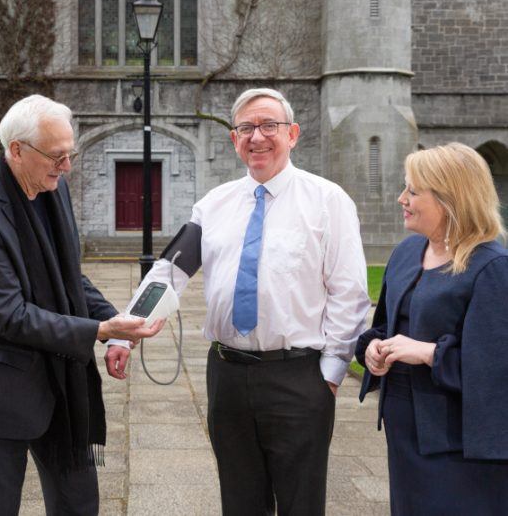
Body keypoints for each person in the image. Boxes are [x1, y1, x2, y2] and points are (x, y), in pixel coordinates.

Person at [108, 88, 370, 515]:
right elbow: (168, 273)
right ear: (234, 139)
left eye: (270, 125)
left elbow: (350, 292)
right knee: (240, 502)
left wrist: (331, 372)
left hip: (299, 377)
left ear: (293, 134)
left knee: (301, 504)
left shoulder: (328, 202)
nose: (257, 136)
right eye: (246, 127)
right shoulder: (213, 205)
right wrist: (125, 334)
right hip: (227, 377)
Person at [0, 94, 162, 515]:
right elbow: (11, 316)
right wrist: (99, 332)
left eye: (71, 153)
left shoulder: (53, 188)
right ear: (16, 151)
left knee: (79, 504)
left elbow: (70, 277)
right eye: (57, 156)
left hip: (62, 380)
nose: (67, 166)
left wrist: (114, 321)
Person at [355, 142, 508, 515]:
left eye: (412, 190)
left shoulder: (493, 267)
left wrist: (427, 353)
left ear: (449, 199)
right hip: (404, 428)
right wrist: (373, 351)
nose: (400, 198)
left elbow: (496, 371)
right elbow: (385, 327)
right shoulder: (407, 252)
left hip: (461, 445)